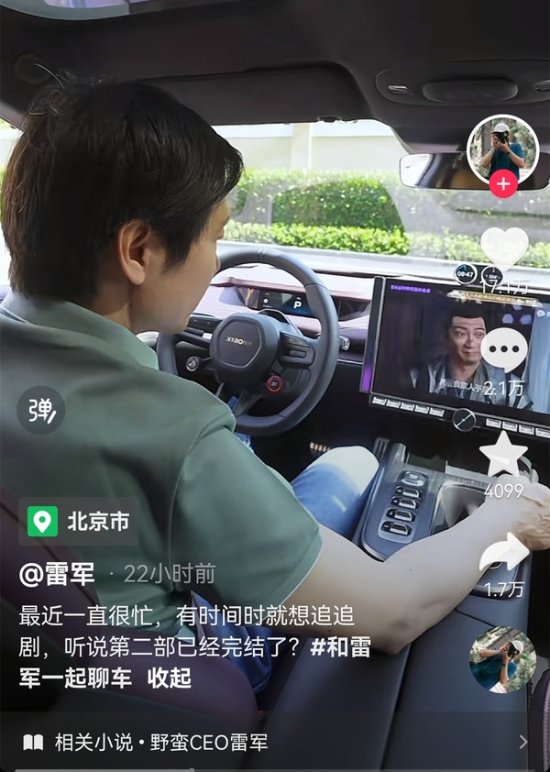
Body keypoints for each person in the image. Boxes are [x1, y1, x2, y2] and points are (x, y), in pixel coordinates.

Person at [1, 81, 549, 695]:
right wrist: (505, 517)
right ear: (138, 250)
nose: (216, 261)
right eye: (214, 235)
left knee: (329, 461)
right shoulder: (176, 434)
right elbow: (392, 612)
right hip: (184, 676)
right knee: (354, 461)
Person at [410, 303, 532, 408]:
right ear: (446, 337)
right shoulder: (420, 376)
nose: (471, 343)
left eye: (479, 335)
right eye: (461, 334)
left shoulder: (510, 385)